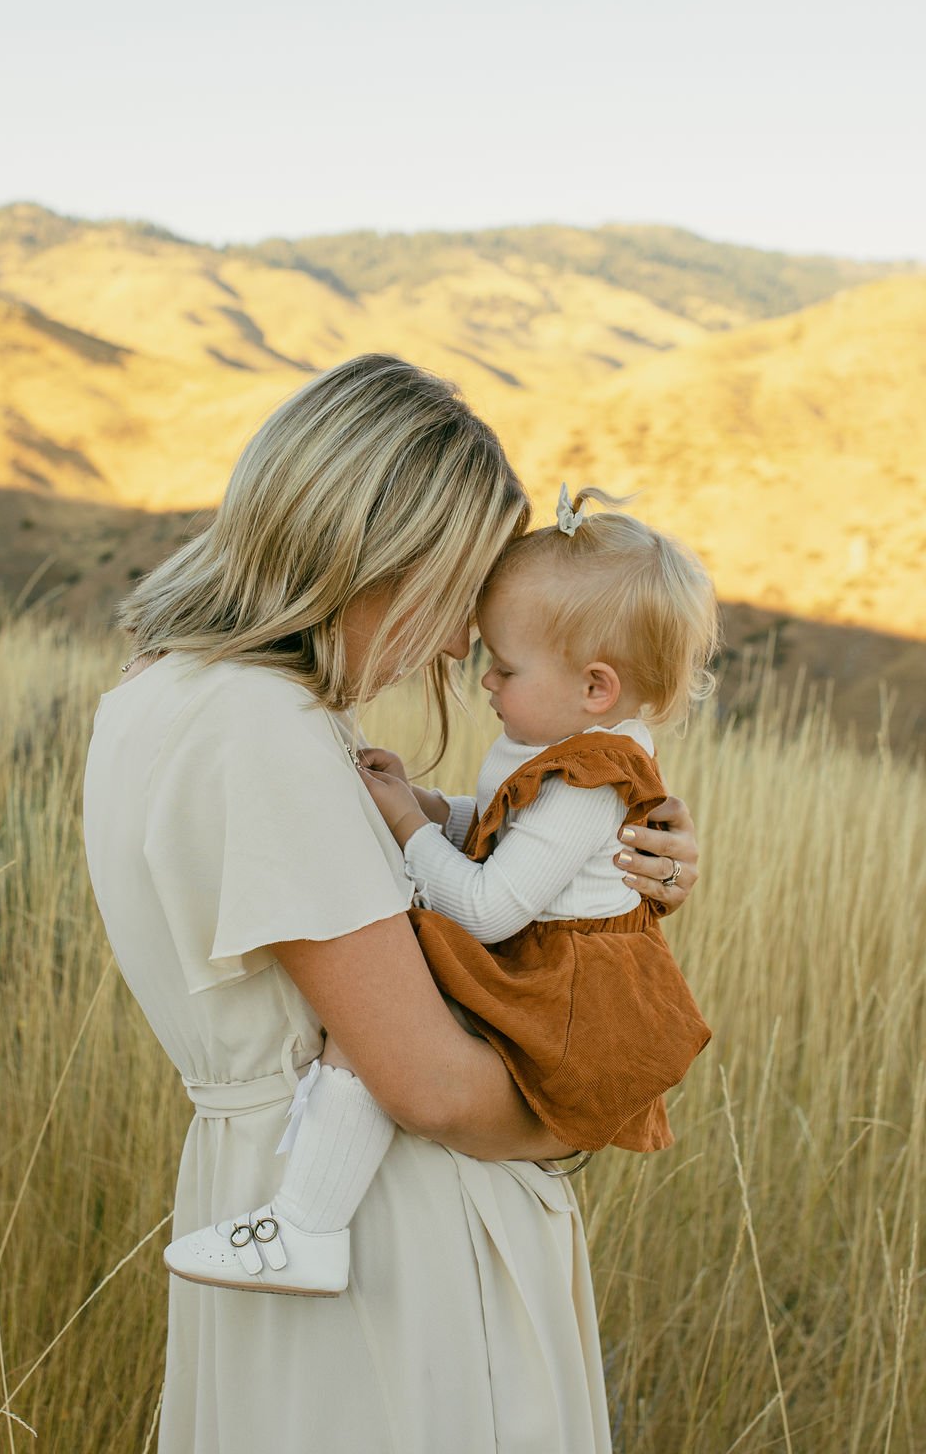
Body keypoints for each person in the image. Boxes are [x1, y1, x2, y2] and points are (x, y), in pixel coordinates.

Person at [82, 355, 701, 1454]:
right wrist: (590, 1102)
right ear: (381, 560)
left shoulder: (159, 691)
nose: (462, 643)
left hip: (268, 1193)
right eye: (459, 595)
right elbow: (428, 1085)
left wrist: (602, 873)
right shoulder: (263, 730)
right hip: (387, 1248)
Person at [166, 482, 715, 1298]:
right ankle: (306, 1224)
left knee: (386, 995)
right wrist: (430, 807)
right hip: (544, 962)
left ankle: (307, 1228)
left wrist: (407, 831)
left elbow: (489, 909)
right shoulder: (565, 742)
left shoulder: (588, 778)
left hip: (561, 988)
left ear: (595, 688)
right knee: (383, 1001)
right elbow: (503, 831)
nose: (482, 677)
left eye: (506, 665)